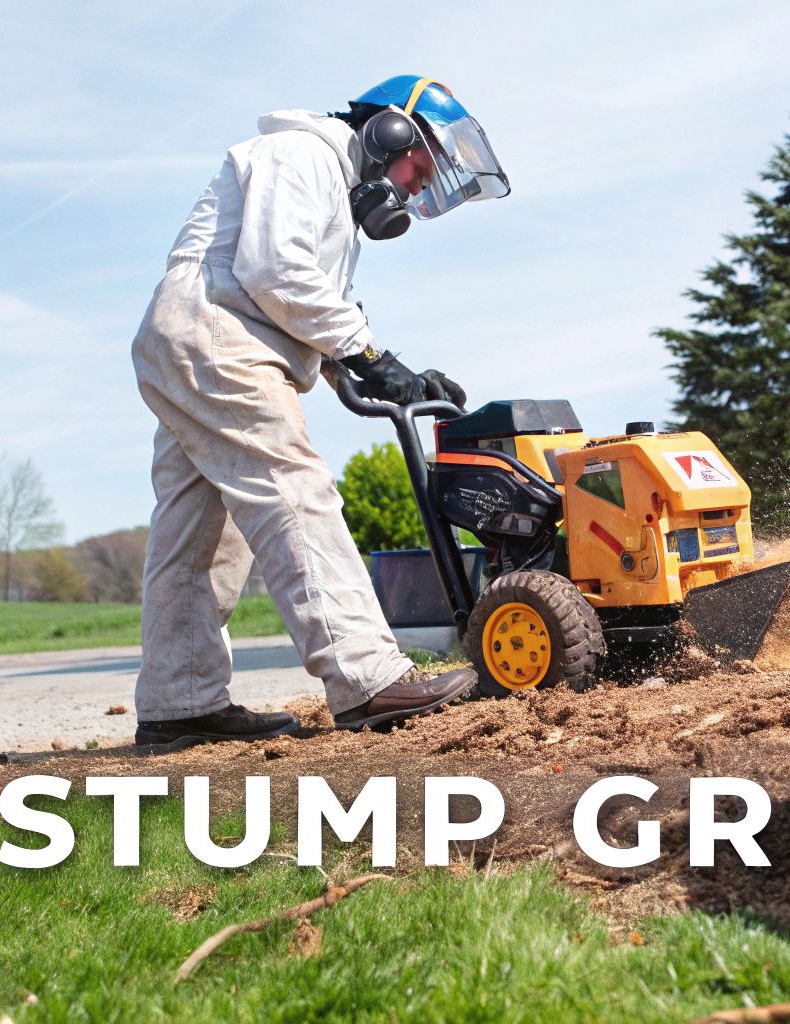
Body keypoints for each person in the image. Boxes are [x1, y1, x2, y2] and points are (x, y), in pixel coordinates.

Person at [129, 75, 511, 747]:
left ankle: (179, 700)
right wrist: (364, 350)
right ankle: (366, 678)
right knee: (294, 491)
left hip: (193, 335)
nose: (420, 187)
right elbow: (274, 271)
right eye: (422, 164)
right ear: (390, 131)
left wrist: (383, 371)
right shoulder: (303, 156)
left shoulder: (329, 190)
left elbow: (300, 300)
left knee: (197, 533)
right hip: (219, 333)